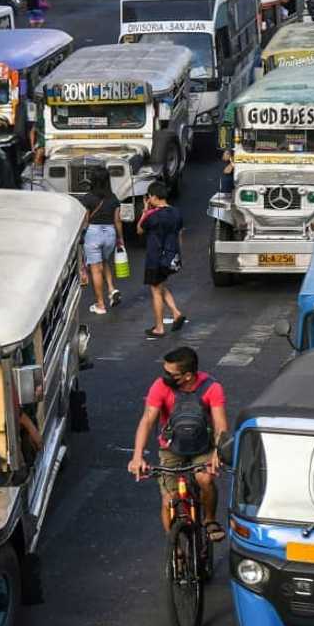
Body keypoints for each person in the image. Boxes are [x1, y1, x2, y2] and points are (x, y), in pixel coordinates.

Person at [128, 346, 229, 540]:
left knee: (205, 480)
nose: (164, 376)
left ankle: (209, 520)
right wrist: (137, 456)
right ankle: (173, 544)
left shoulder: (212, 388)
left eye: (170, 373)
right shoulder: (160, 386)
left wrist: (218, 452)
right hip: (171, 449)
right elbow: (148, 420)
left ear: (188, 376)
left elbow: (220, 425)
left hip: (202, 447)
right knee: (169, 500)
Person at [137, 182, 186, 339]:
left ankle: (159, 327)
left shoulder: (153, 216)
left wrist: (145, 211)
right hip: (171, 256)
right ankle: (176, 313)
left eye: (149, 196)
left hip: (155, 258)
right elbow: (179, 235)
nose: (148, 199)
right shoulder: (176, 212)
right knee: (161, 286)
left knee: (156, 291)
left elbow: (139, 229)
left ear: (154, 197)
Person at [81, 167, 125, 315]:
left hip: (93, 233)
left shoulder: (88, 198)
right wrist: (120, 239)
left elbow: (85, 220)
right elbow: (118, 221)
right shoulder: (113, 198)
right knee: (104, 261)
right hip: (110, 234)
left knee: (95, 269)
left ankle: (100, 305)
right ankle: (112, 290)